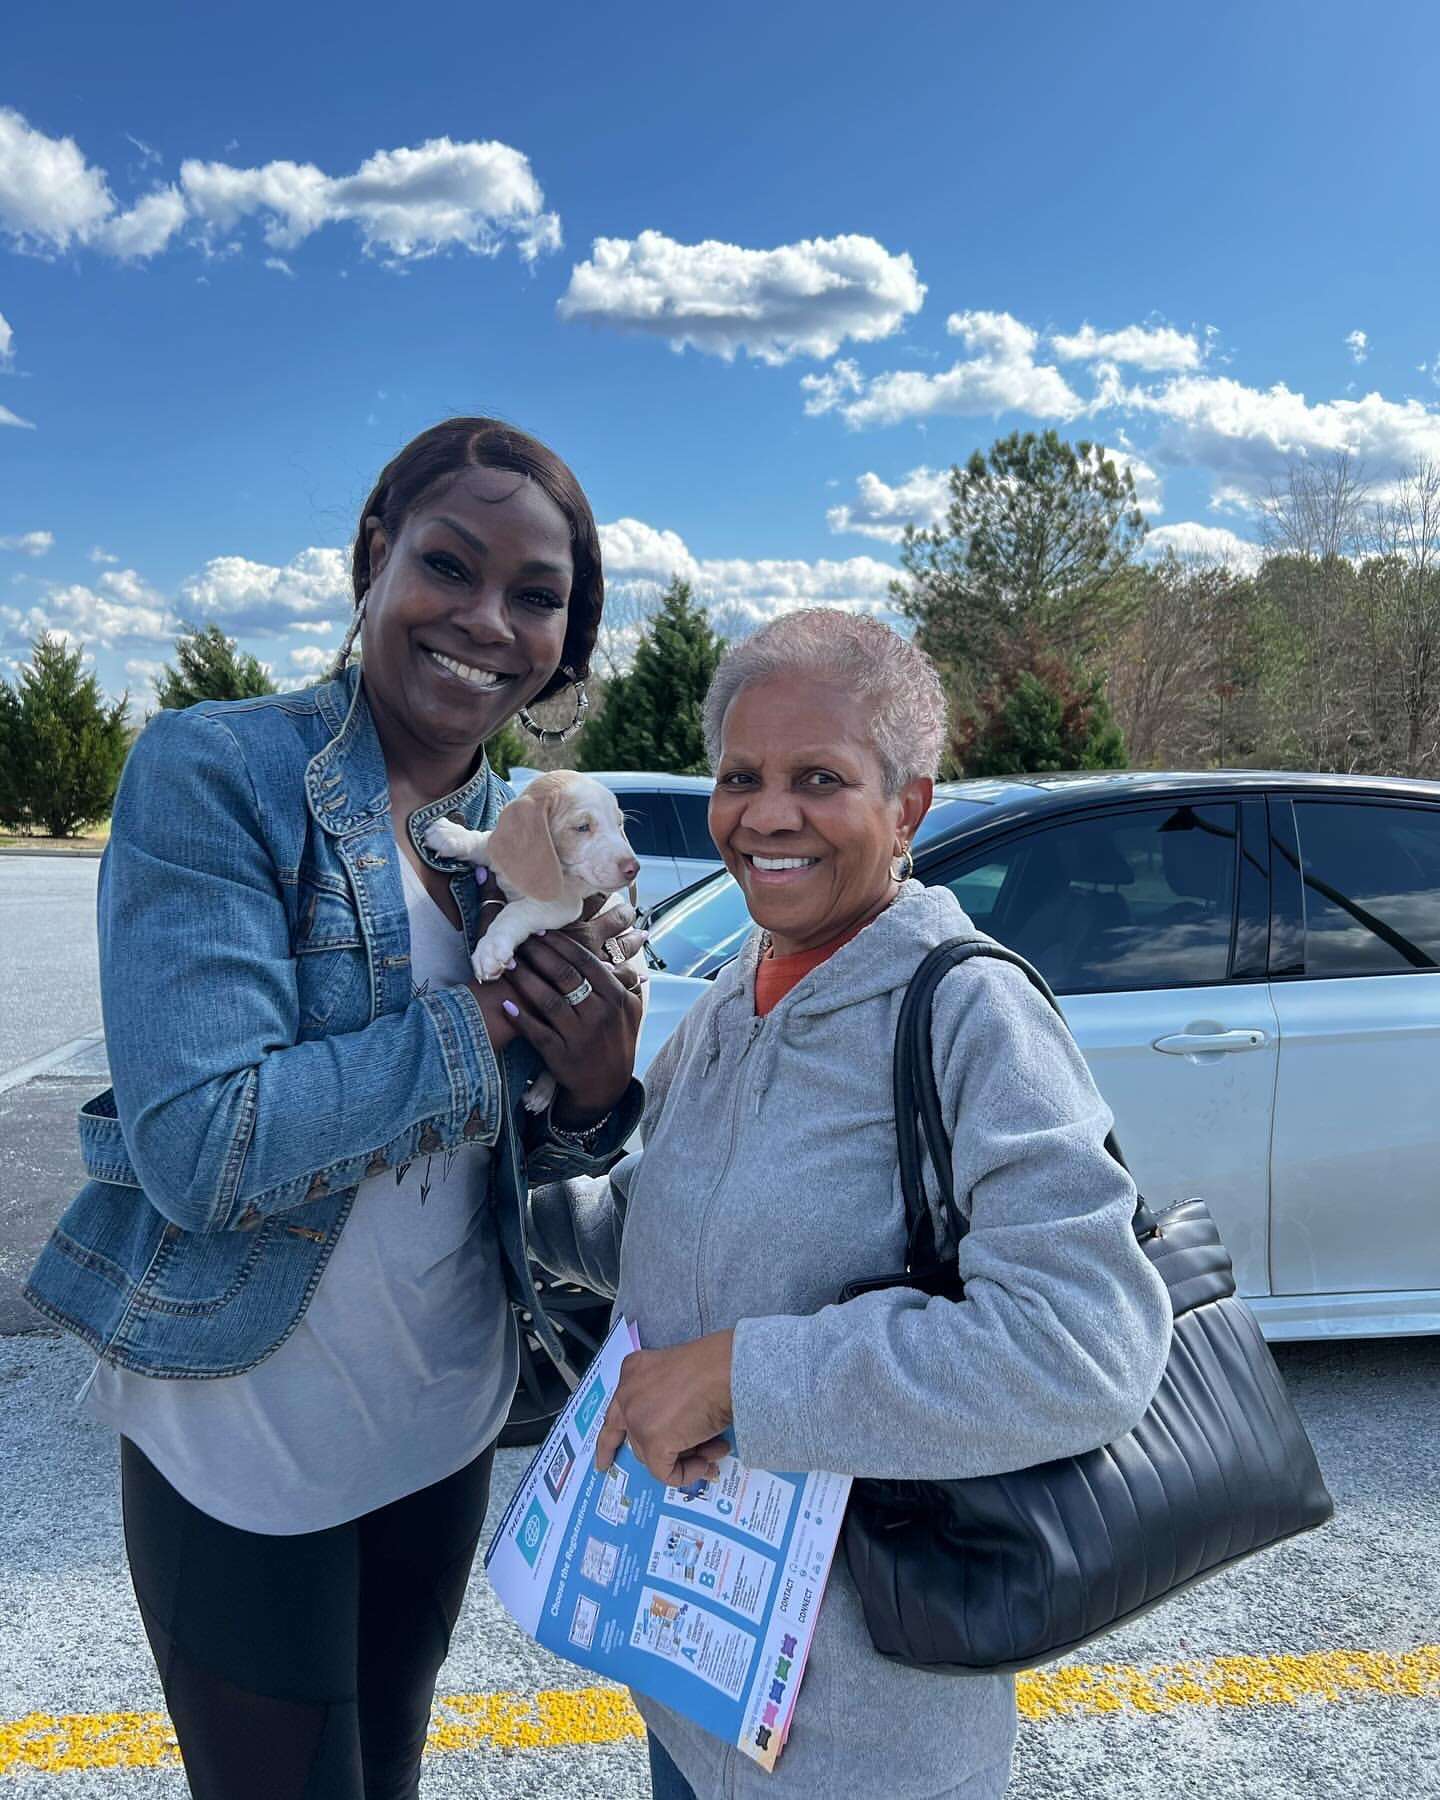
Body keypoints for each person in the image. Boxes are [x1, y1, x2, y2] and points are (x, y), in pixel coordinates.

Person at [24, 418, 646, 1800]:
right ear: (373, 557)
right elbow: (205, 1146)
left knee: (392, 1770)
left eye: (536, 596)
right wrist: (487, 1019)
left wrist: (597, 1088)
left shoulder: (532, 842)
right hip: (247, 1442)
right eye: (448, 564)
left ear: (566, 640)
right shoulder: (219, 775)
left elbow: (549, 1159)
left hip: (443, 1420)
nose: (488, 621)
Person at [530, 609, 1174, 1800]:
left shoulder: (970, 1013)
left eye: (819, 779)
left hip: (867, 1748)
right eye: (741, 777)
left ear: (910, 806)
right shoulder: (736, 997)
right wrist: (512, 1190)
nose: (766, 814)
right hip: (688, 1694)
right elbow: (659, 1230)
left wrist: (739, 1378)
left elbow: (1085, 1345)